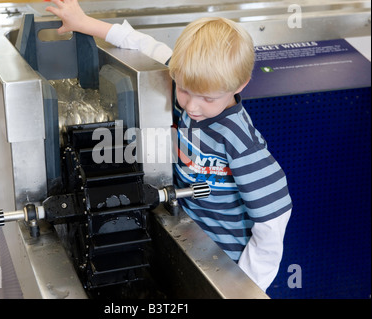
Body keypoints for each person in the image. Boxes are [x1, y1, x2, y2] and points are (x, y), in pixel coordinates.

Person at [46, 0, 292, 292]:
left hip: (227, 259)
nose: (192, 106)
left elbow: (274, 218)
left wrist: (247, 285)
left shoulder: (239, 139)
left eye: (208, 98)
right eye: (185, 90)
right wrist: (85, 23)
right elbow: (141, 44)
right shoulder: (184, 71)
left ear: (240, 86)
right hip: (189, 234)